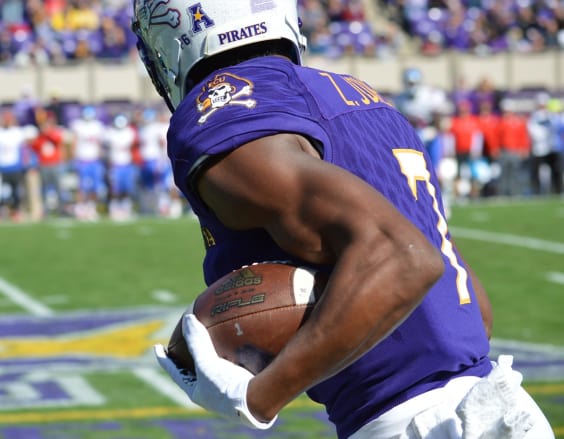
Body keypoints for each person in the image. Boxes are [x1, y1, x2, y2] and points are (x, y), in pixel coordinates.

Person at [134, 1, 556, 438]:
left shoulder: (223, 109)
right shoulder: (363, 99)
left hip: (414, 424)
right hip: (494, 401)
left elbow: (405, 260)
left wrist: (258, 397)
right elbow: (471, 310)